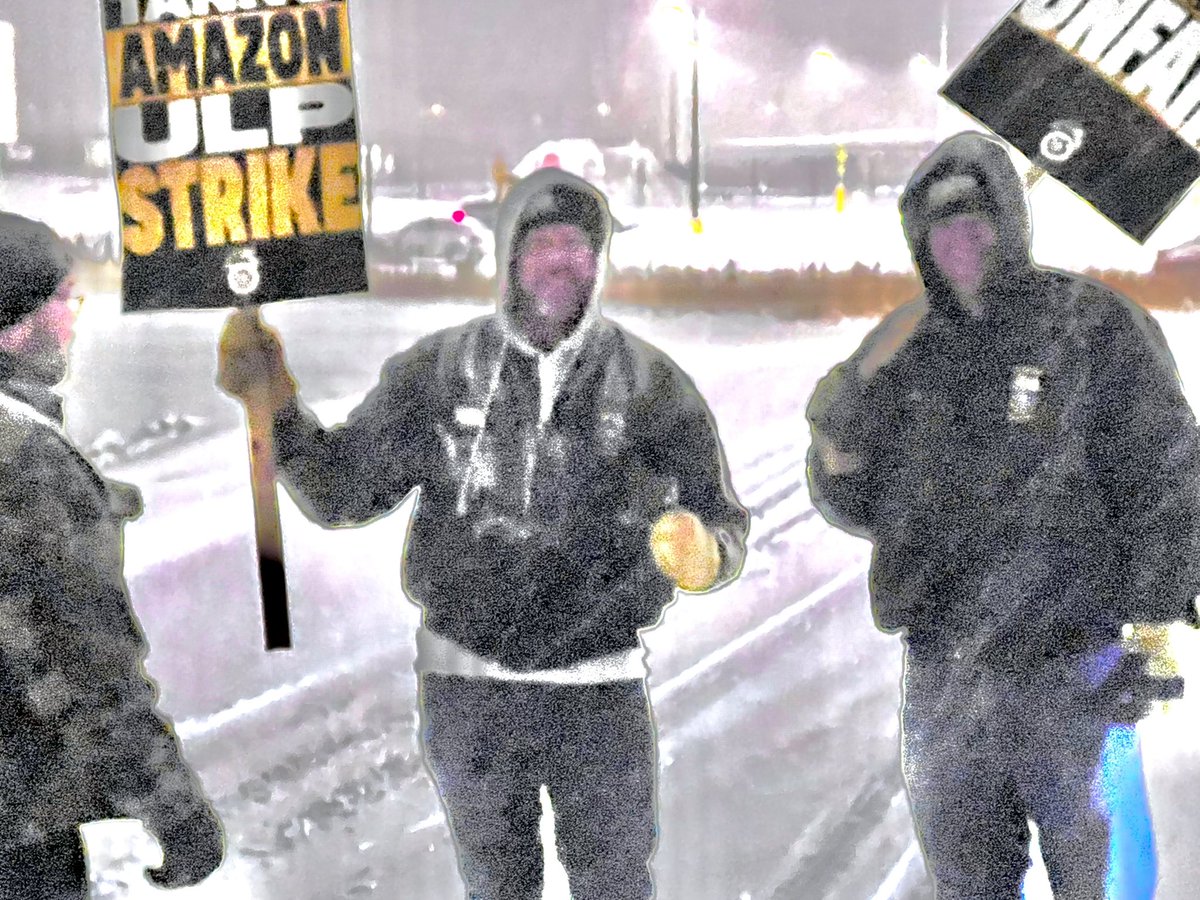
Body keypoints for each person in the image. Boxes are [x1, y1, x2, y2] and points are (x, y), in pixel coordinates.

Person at [218, 167, 749, 899]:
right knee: (497, 888)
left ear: (598, 262)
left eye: (578, 246)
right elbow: (343, 489)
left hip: (598, 694)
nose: (562, 260)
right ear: (508, 259)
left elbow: (721, 518)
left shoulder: (650, 384)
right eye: (543, 244)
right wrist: (274, 406)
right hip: (468, 692)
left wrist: (707, 552)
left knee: (617, 885)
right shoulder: (439, 372)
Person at [805, 132, 1199, 898]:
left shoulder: (1092, 329)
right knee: (966, 883)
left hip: (1076, 675)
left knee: (1110, 882)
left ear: (1011, 222)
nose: (963, 238)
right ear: (921, 239)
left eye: (979, 218)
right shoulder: (904, 350)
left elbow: (1172, 478)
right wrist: (837, 448)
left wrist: (1151, 626)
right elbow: (857, 500)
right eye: (943, 224)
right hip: (944, 683)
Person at [0, 211, 224, 896]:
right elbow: (85, 667)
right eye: (63, 298)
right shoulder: (27, 462)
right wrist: (173, 809)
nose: (74, 316)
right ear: (17, 322)